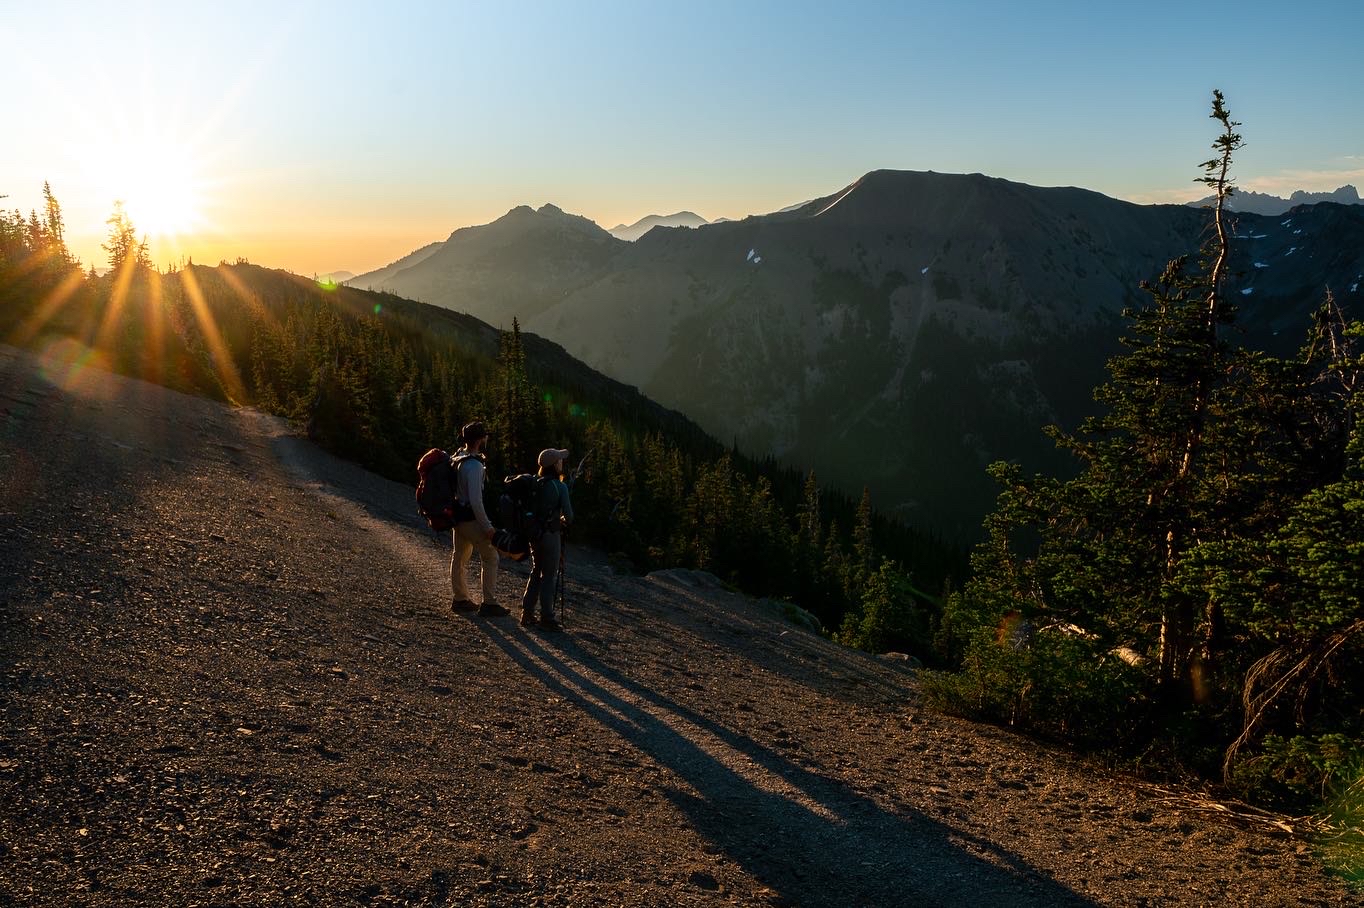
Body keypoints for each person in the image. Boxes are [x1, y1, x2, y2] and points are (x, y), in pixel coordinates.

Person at [450, 422, 507, 617]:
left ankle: (460, 599)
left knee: (460, 556)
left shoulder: (458, 458)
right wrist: (487, 526)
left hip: (458, 517)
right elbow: (476, 500)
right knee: (491, 556)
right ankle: (489, 602)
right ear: (480, 440)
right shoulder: (474, 466)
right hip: (471, 518)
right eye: (484, 436)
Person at [520, 447, 574, 631]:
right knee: (549, 575)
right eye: (560, 460)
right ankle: (547, 617)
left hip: (534, 534)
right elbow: (569, 516)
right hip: (551, 535)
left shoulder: (534, 482)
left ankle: (527, 612)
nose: (562, 462)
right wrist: (562, 520)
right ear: (554, 465)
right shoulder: (560, 486)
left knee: (536, 570)